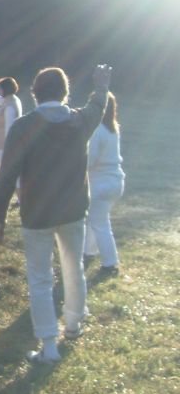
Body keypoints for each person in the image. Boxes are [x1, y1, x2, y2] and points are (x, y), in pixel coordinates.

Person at [0, 64, 112, 364]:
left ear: (35, 93)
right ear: (65, 93)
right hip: (73, 211)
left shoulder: (23, 126)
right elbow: (98, 106)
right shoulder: (80, 121)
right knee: (74, 269)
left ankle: (48, 345)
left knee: (40, 279)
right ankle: (73, 325)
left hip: (37, 214)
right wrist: (101, 84)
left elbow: (7, 175)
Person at [84, 91, 124, 275]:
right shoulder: (112, 128)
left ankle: (110, 263)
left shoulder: (97, 130)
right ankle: (89, 251)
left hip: (101, 183)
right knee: (96, 219)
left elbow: (90, 161)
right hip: (115, 181)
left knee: (100, 224)